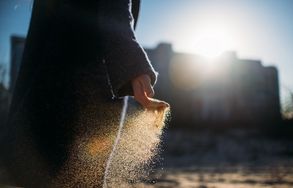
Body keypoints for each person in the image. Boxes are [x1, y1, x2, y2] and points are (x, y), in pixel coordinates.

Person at [1, 0, 168, 187]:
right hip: (85, 89)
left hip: (45, 89)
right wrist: (135, 68)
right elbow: (114, 12)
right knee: (78, 177)